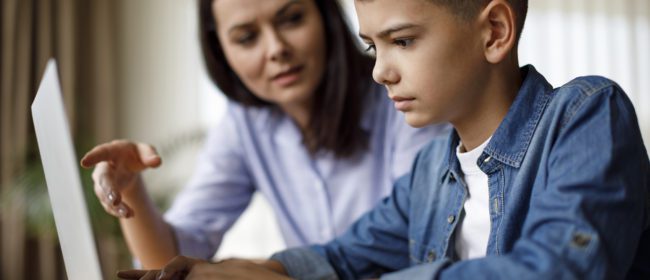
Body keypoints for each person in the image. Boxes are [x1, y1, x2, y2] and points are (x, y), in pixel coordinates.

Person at [120, 0, 650, 278]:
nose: (379, 72)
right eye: (373, 47)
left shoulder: (585, 114)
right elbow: (341, 257)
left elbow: (562, 270)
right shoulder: (430, 174)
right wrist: (230, 274)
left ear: (494, 32)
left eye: (402, 41)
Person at [80, 0, 448, 269]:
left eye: (291, 19)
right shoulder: (244, 125)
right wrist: (131, 191)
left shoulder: (404, 98)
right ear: (220, 50)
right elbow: (167, 262)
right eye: (246, 37)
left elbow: (420, 243)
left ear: (324, 16)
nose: (276, 50)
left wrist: (261, 271)